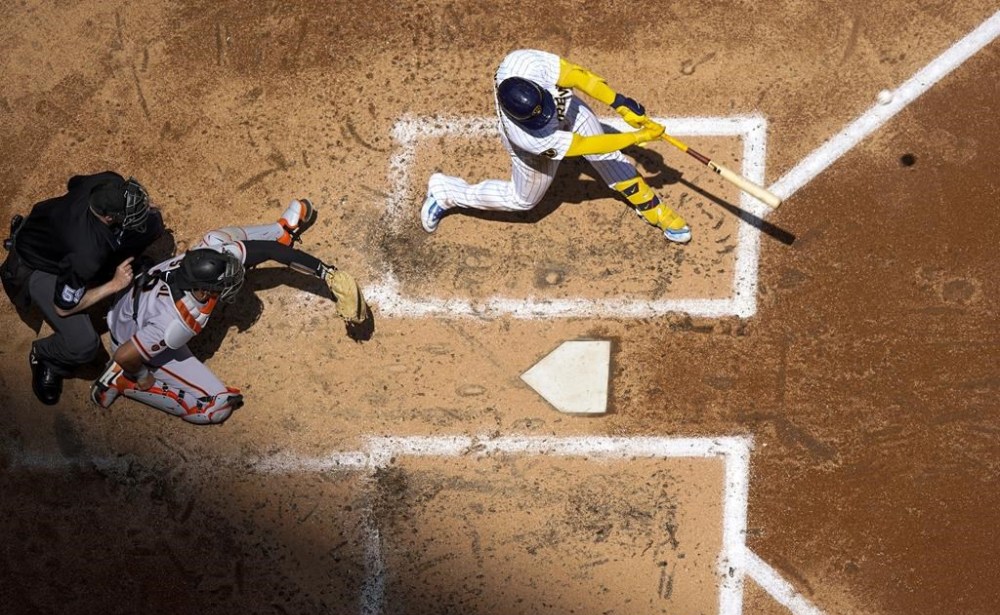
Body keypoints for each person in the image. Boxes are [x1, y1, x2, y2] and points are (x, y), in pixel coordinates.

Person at [90, 199, 370, 425]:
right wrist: (142, 376)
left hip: (137, 300)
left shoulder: (207, 255)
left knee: (217, 237)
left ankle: (282, 229)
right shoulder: (178, 321)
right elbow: (125, 353)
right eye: (226, 282)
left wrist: (327, 273)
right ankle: (123, 381)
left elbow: (270, 252)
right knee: (215, 407)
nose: (236, 279)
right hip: (130, 337)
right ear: (203, 290)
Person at [420, 48, 691, 244]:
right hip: (535, 154)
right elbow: (586, 145)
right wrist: (637, 137)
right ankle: (447, 192)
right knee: (522, 200)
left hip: (570, 111)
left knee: (609, 155)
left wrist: (619, 102)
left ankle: (652, 208)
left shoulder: (524, 63)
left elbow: (578, 76)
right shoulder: (527, 137)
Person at [1, 172, 164, 405]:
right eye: (127, 211)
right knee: (84, 344)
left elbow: (73, 183)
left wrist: (137, 207)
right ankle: (47, 357)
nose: (138, 208)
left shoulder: (107, 182)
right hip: (36, 267)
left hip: (49, 229)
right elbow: (64, 308)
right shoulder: (85, 253)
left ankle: (105, 262)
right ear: (108, 217)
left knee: (152, 223)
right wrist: (114, 284)